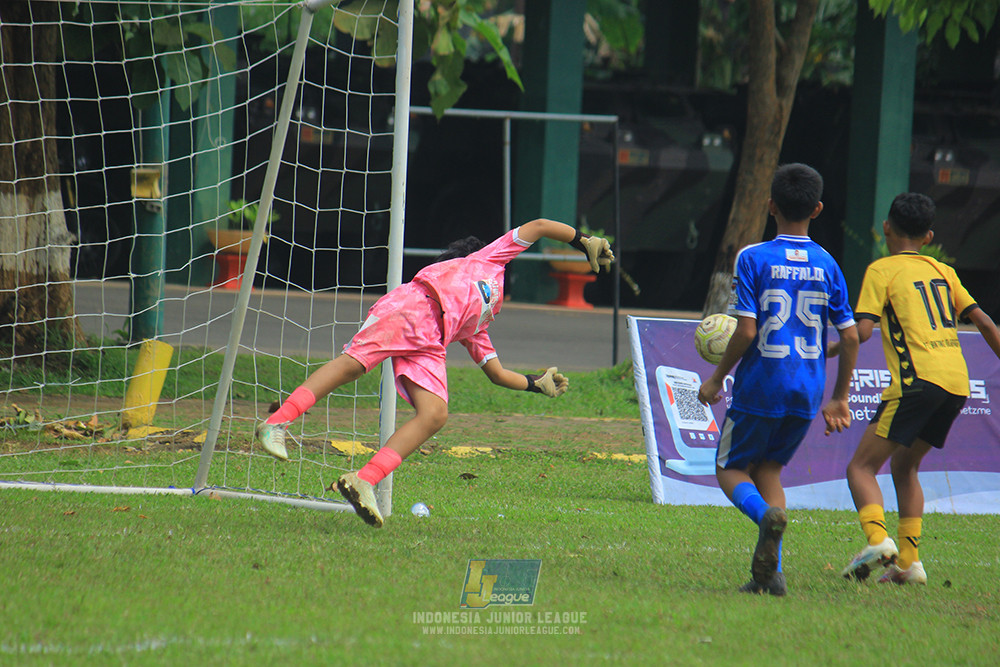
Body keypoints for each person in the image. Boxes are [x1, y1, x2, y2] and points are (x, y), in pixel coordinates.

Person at [254, 219, 614, 527]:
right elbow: (538, 227)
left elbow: (498, 374)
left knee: (435, 414)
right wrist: (583, 241)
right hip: (415, 306)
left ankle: (363, 480)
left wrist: (536, 384)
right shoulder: (485, 259)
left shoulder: (476, 327)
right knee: (353, 365)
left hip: (431, 341)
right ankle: (279, 421)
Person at [697, 163, 859, 596]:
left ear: (770, 205)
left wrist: (715, 379)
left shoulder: (752, 257)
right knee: (770, 469)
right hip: (807, 389)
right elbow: (851, 335)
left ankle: (764, 518)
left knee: (729, 468)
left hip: (761, 385)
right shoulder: (828, 263)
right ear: (818, 208)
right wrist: (840, 397)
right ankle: (772, 576)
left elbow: (747, 331)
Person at [840, 192, 1000, 584]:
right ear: (928, 236)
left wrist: (833, 347)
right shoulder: (941, 270)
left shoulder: (881, 270)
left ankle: (878, 540)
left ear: (886, 227)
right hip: (956, 383)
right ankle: (909, 564)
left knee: (860, 467)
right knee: (905, 465)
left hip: (917, 381)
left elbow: (861, 331)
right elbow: (985, 323)